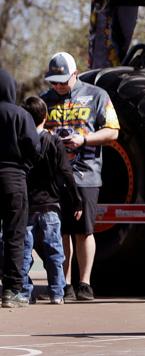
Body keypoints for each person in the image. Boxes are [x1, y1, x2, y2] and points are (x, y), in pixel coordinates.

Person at [41, 52, 119, 301]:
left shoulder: (97, 96)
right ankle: (63, 284)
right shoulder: (45, 101)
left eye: (63, 80)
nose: (58, 86)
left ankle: (84, 283)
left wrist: (84, 139)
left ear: (75, 74)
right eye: (54, 81)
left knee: (84, 230)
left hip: (86, 174)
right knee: (59, 231)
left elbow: (112, 131)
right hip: (53, 177)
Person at [20, 96, 82, 305]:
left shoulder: (22, 141)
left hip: (27, 204)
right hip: (51, 204)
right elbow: (66, 171)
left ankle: (25, 291)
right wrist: (76, 200)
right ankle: (57, 291)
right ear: (45, 116)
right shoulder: (53, 140)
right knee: (54, 249)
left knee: (24, 251)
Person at [0, 69, 39, 308]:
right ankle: (11, 291)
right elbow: (34, 148)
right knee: (15, 236)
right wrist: (23, 167)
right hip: (14, 179)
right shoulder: (20, 115)